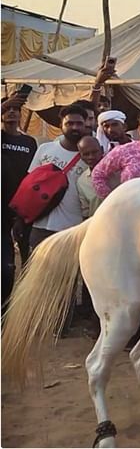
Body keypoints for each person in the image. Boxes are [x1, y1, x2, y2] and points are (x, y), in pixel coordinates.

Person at [27, 104, 90, 250]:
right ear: (61, 125)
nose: (74, 127)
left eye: (79, 123)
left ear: (85, 125)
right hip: (41, 225)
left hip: (74, 229)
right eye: (69, 123)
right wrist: (21, 218)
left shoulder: (90, 156)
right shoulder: (45, 149)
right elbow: (29, 185)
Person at [1, 94, 37, 313]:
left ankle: (25, 307)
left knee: (28, 259)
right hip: (1, 209)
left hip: (23, 208)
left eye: (15, 109)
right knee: (6, 267)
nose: (12, 112)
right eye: (8, 109)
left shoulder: (29, 142)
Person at [76, 136, 104, 219]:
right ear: (80, 156)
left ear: (102, 150)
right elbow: (86, 212)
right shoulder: (82, 182)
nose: (91, 157)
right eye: (86, 154)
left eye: (94, 152)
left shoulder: (117, 170)